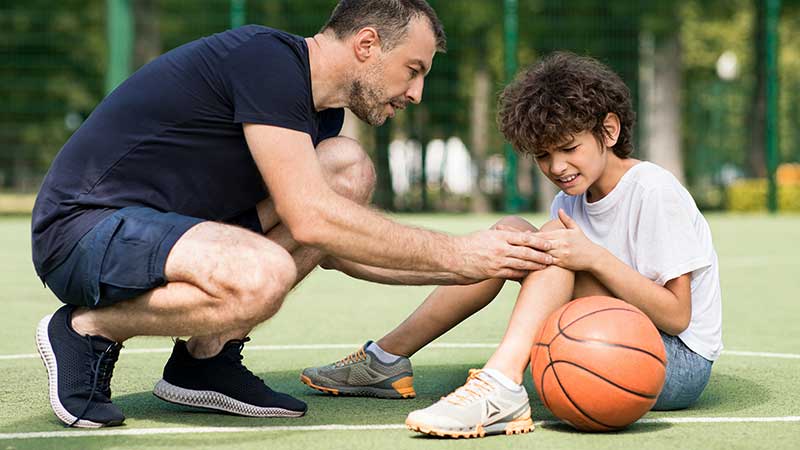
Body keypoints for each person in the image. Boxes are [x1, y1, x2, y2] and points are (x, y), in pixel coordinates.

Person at [32, 0, 553, 428]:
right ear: (367, 44)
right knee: (264, 272)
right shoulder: (267, 60)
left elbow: (335, 247)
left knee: (345, 168)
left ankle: (204, 360)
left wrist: (484, 265)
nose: (416, 93)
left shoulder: (321, 116)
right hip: (85, 230)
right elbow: (311, 221)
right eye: (413, 70)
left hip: (173, 235)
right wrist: (459, 252)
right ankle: (88, 329)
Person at [301, 52, 722, 438]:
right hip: (608, 337)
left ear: (609, 131)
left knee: (550, 245)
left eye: (569, 148)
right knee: (510, 233)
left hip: (673, 361)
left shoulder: (652, 190)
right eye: (543, 156)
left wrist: (594, 258)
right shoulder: (569, 201)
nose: (557, 167)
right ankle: (386, 359)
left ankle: (501, 384)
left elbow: (677, 316)